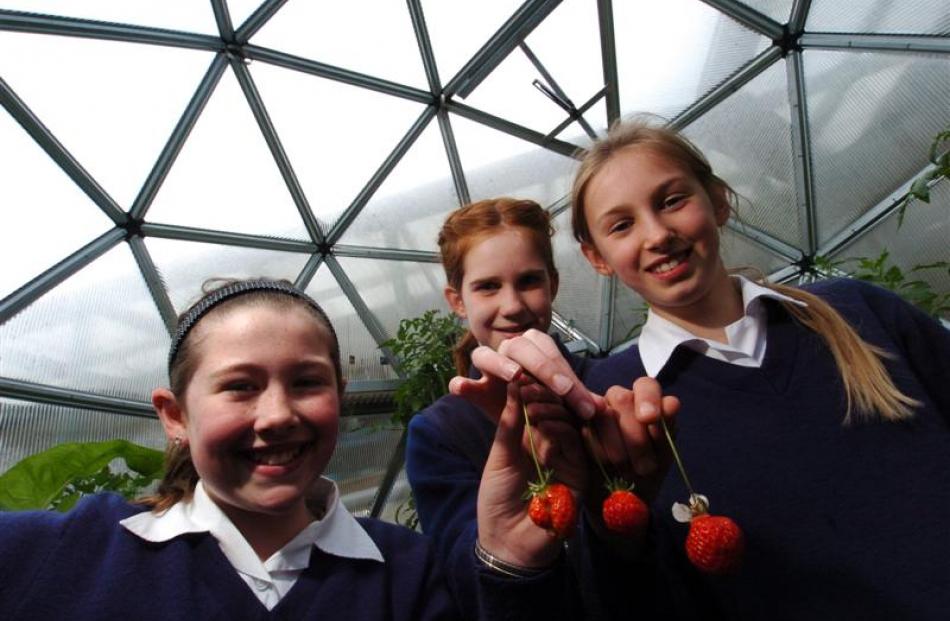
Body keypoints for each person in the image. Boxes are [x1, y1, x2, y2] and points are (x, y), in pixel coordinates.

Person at [0, 278, 586, 621]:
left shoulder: (404, 572)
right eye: (240, 386)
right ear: (175, 415)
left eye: (307, 382)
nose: (278, 415)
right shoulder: (61, 553)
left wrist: (513, 566)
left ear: (340, 395)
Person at [568, 119, 950, 619]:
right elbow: (637, 592)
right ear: (597, 258)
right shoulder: (611, 402)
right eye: (622, 225)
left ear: (719, 201)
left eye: (672, 200)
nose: (657, 234)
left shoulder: (854, 313)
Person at [406, 198, 677, 620]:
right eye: (487, 286)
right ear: (457, 300)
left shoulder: (611, 388)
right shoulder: (438, 432)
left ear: (553, 283)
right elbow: (465, 581)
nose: (512, 305)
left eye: (529, 280)